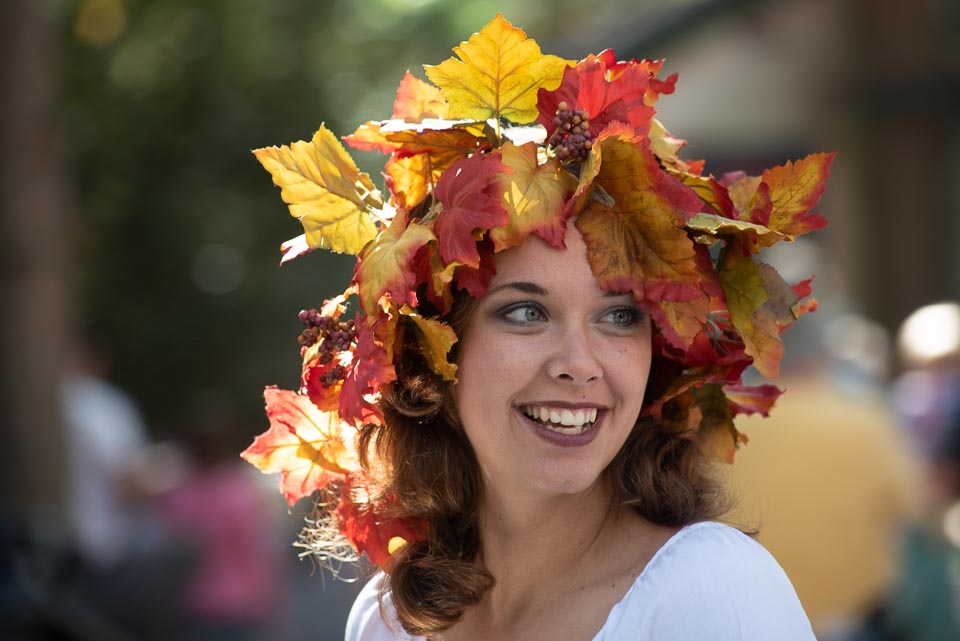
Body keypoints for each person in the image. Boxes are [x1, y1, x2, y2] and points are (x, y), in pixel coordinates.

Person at [242, 14, 834, 640]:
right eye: (526, 312)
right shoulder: (391, 619)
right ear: (432, 356)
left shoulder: (710, 592)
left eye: (619, 316)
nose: (579, 362)